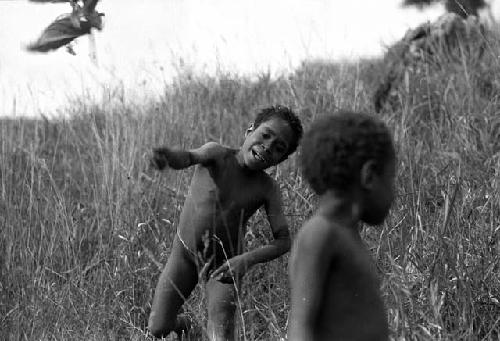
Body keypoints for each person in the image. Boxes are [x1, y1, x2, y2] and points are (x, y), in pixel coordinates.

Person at [148, 105, 303, 340]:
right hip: (185, 255)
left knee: (221, 336)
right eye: (265, 135)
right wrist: (168, 157)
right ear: (250, 130)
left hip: (225, 265)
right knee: (158, 328)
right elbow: (188, 157)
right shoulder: (216, 154)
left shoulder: (268, 189)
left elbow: (283, 241)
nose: (268, 146)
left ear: (280, 160)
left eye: (278, 148)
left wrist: (245, 260)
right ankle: (187, 326)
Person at [288, 111, 396, 341]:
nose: (393, 192)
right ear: (369, 176)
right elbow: (300, 325)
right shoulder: (320, 233)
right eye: (391, 179)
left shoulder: (346, 234)